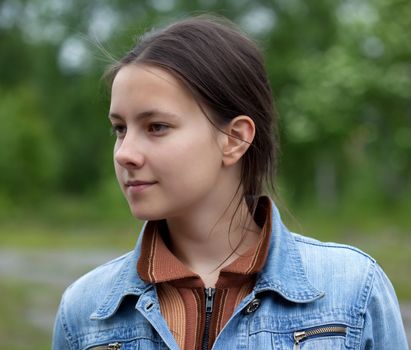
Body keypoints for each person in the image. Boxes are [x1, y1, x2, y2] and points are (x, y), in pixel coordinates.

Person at [52, 15, 408, 350]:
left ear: (235, 138)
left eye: (156, 127)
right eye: (120, 129)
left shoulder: (352, 290)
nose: (124, 153)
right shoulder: (86, 312)